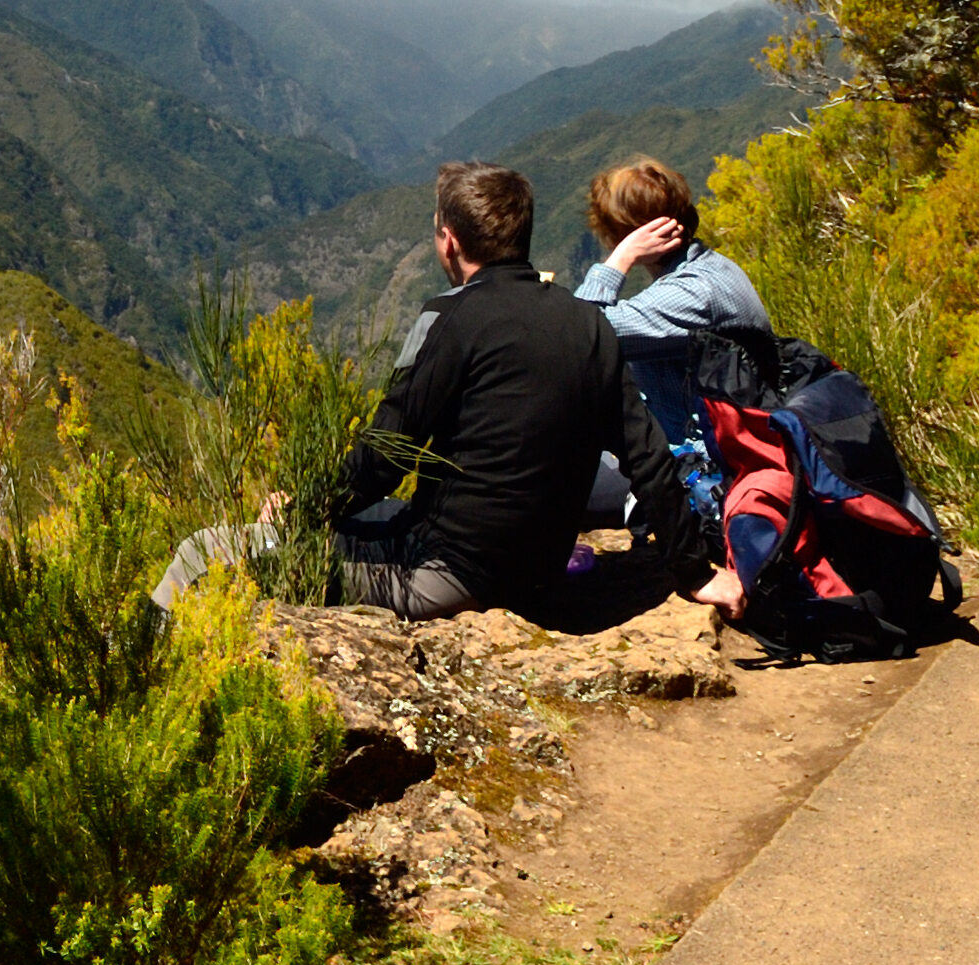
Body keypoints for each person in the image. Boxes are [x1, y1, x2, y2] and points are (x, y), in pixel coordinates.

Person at [155, 161, 697, 619]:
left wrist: (304, 511)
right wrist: (695, 571)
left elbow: (387, 455)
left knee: (203, 552)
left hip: (448, 576)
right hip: (537, 572)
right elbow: (647, 455)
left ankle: (129, 665)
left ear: (449, 241)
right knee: (343, 518)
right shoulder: (588, 323)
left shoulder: (450, 319)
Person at [573, 157, 774, 529]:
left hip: (696, 473)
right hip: (719, 454)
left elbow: (580, 334)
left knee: (540, 484)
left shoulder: (691, 295)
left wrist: (620, 259)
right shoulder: (712, 269)